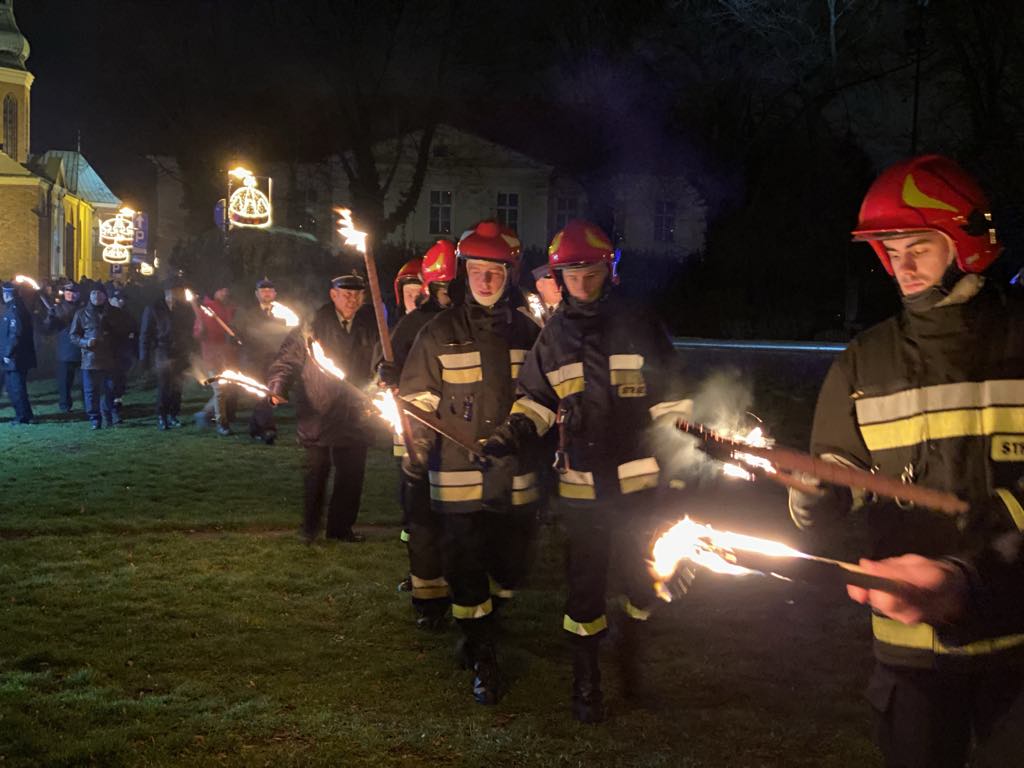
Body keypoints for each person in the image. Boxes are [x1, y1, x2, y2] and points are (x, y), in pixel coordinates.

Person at [788, 154, 1024, 768]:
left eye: (918, 245)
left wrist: (973, 573)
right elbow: (836, 484)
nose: (901, 265)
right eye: (889, 249)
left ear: (967, 244)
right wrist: (813, 492)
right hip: (910, 647)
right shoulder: (863, 363)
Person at [483, 220, 690, 723]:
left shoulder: (641, 325)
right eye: (571, 271)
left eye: (590, 269)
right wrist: (511, 434)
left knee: (644, 582)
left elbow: (673, 402)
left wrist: (680, 469)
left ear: (607, 270)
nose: (580, 279)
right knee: (584, 588)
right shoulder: (553, 336)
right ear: (559, 273)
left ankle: (630, 661)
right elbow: (534, 399)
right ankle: (587, 681)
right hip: (581, 489)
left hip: (640, 484)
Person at [399, 221, 541, 704]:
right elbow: (415, 398)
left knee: (511, 568)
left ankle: (484, 625)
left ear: (508, 275)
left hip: (516, 476)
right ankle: (483, 654)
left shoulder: (529, 332)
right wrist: (417, 448)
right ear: (464, 274)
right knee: (465, 565)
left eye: (495, 272)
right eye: (477, 271)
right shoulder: (439, 332)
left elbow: (544, 398)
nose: (486, 281)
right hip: (457, 475)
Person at [377, 240, 456, 627]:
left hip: (458, 435)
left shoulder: (469, 319)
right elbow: (385, 365)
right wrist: (386, 373)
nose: (448, 295)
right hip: (417, 435)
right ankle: (427, 597)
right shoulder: (412, 324)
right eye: (442, 288)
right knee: (419, 516)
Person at [267, 273, 377, 543]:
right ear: (333, 295)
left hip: (355, 413)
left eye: (357, 294)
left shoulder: (370, 326)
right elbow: (287, 361)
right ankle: (310, 528)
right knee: (316, 474)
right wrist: (277, 386)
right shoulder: (312, 326)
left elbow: (381, 360)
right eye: (346, 294)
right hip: (319, 410)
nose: (352, 299)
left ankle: (341, 529)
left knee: (351, 476)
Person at [69, 286, 133, 429]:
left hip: (111, 358)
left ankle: (108, 414)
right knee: (91, 391)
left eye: (99, 293)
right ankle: (94, 419)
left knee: (111, 389)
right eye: (93, 293)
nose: (96, 296)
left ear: (105, 296)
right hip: (90, 359)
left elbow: (125, 332)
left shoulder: (115, 313)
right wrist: (85, 342)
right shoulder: (81, 314)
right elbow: (73, 335)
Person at [139, 277, 196, 430]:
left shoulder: (184, 309)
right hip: (162, 350)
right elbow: (145, 334)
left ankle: (173, 414)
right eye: (173, 291)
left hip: (180, 350)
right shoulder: (154, 308)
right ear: (167, 292)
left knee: (178, 386)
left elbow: (189, 331)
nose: (175, 294)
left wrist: (190, 351)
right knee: (165, 385)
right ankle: (162, 415)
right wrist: (144, 358)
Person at [238, 277, 290, 445]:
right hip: (254, 360)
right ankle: (268, 429)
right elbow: (240, 333)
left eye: (269, 290)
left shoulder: (283, 314)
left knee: (268, 393)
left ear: (275, 293)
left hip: (274, 360)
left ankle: (255, 429)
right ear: (256, 294)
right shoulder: (248, 313)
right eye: (263, 290)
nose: (266, 293)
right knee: (263, 394)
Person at [193, 285, 239, 436]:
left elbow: (235, 330)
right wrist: (201, 330)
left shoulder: (230, 308)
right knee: (219, 390)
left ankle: (205, 413)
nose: (225, 292)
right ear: (214, 291)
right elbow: (197, 334)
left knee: (226, 389)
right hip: (212, 357)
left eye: (226, 289)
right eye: (221, 289)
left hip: (228, 356)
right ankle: (222, 424)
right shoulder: (206, 310)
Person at [42, 281, 84, 413]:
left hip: (83, 349)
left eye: (74, 292)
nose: (71, 295)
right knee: (64, 383)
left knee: (86, 383)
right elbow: (48, 330)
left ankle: (88, 405)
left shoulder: (84, 309)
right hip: (65, 351)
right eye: (68, 292)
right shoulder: (57, 309)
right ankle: (65, 406)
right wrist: (50, 318)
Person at [0, 281, 36, 425]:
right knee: (13, 387)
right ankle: (25, 414)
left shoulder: (15, 309)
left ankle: (23, 416)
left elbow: (16, 334)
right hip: (14, 357)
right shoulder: (14, 307)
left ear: (7, 294)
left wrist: (7, 353)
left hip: (15, 358)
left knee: (16, 388)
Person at [107, 289, 137, 423]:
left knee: (119, 383)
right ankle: (111, 411)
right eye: (117, 298)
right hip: (109, 354)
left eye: (122, 299)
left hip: (123, 355)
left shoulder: (127, 315)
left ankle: (117, 407)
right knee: (110, 383)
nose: (120, 301)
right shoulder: (105, 314)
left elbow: (134, 330)